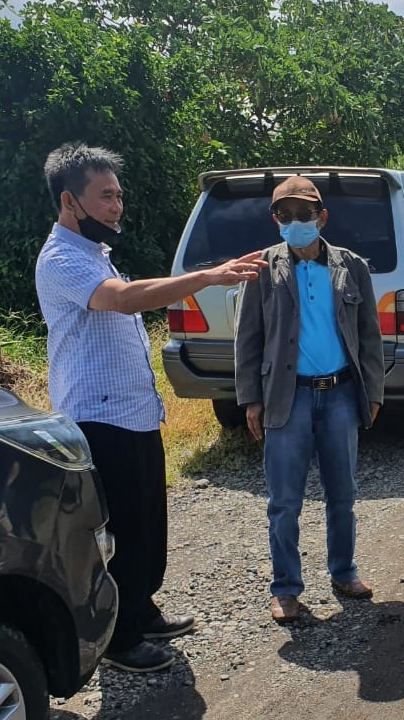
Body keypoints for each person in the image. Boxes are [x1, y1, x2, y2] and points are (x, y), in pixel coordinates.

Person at [35, 143, 266, 672]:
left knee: (147, 524)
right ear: (71, 201)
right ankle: (116, 641)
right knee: (121, 530)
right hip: (98, 418)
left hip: (133, 413)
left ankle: (140, 608)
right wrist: (208, 276)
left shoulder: (95, 253)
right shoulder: (62, 259)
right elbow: (123, 298)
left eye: (119, 196)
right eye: (106, 196)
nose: (117, 207)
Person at [234, 176, 385, 624]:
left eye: (305, 214)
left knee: (343, 495)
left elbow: (370, 335)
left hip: (339, 394)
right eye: (286, 215)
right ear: (275, 219)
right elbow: (249, 339)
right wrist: (252, 400)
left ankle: (344, 571)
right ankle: (285, 588)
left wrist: (372, 390)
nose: (296, 222)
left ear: (322, 217)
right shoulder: (263, 269)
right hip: (287, 398)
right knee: (284, 502)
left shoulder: (351, 266)